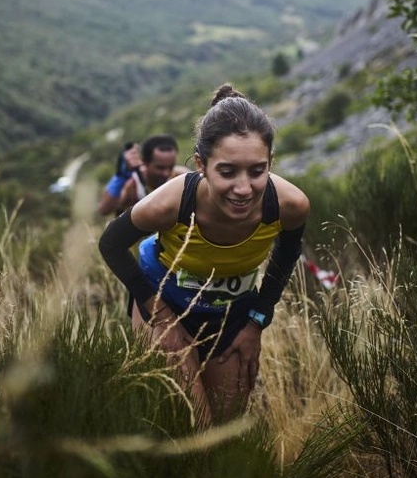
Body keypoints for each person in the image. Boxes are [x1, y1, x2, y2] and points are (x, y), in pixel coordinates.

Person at [98, 84, 309, 426]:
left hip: (232, 313)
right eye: (227, 172)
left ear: (271, 162)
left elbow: (287, 256)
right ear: (201, 164)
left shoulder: (289, 204)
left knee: (222, 431)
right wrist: (162, 316)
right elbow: (111, 244)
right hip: (165, 303)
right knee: (192, 425)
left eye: (258, 170)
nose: (244, 189)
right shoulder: (170, 202)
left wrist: (257, 321)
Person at [96, 134, 188, 217]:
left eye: (170, 167)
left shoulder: (181, 176)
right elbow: (104, 210)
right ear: (144, 162)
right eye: (160, 168)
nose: (166, 173)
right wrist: (120, 178)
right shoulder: (133, 185)